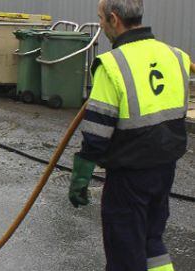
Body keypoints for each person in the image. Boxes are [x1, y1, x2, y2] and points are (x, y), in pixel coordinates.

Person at [69, 0, 190, 270]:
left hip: (129, 176)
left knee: (125, 249)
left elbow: (97, 130)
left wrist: (81, 176)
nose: (99, 24)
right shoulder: (176, 56)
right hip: (164, 168)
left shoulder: (112, 64)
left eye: (100, 18)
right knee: (151, 240)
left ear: (114, 19)